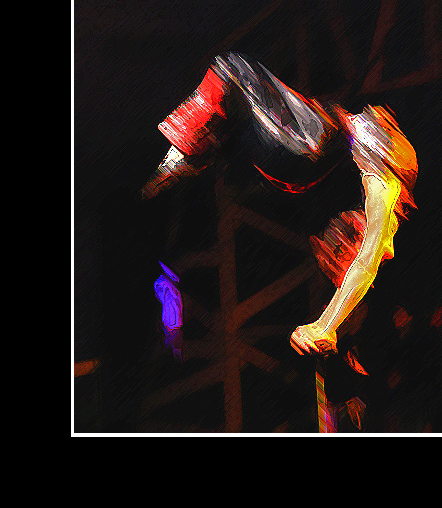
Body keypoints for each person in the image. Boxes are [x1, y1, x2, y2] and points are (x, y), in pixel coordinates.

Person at [140, 51, 418, 417]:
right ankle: (193, 154)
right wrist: (330, 325)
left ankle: (182, 157)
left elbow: (364, 264)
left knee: (232, 71)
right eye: (338, 250)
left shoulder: (382, 187)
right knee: (237, 100)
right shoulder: (385, 179)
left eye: (336, 253)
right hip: (296, 155)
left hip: (298, 155)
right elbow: (364, 265)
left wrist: (326, 326)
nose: (333, 243)